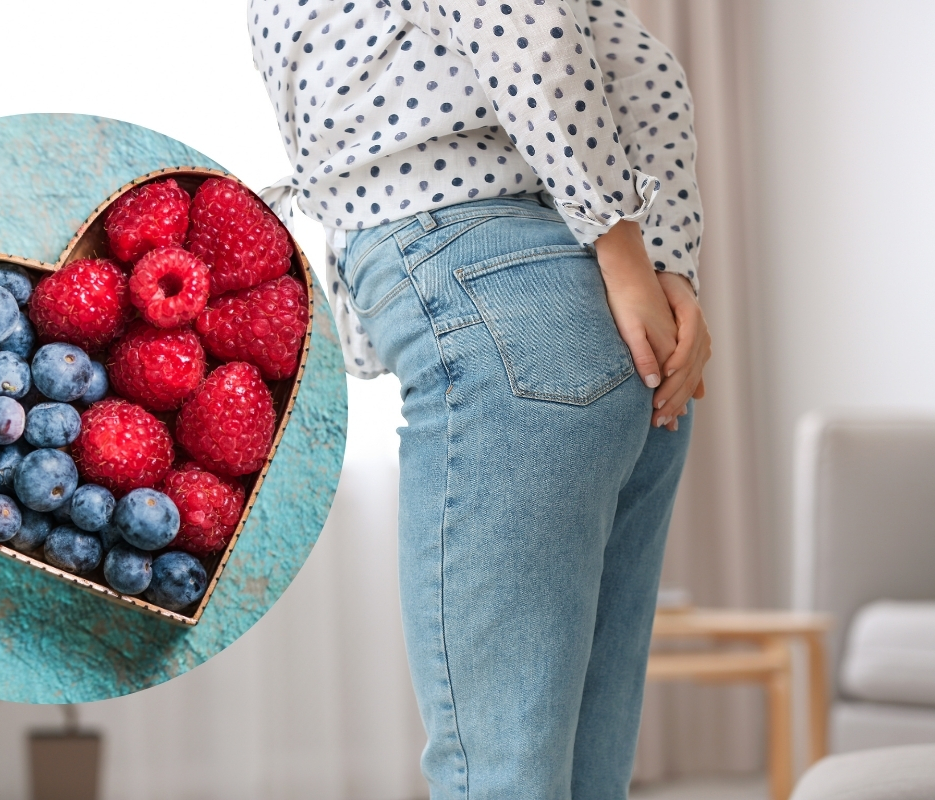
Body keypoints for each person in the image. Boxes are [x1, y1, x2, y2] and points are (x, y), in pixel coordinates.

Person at [250, 0, 711, 797]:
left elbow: (526, 23)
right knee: (581, 777)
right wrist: (665, 267)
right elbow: (651, 76)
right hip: (617, 334)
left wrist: (625, 247)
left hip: (499, 308)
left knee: (499, 776)